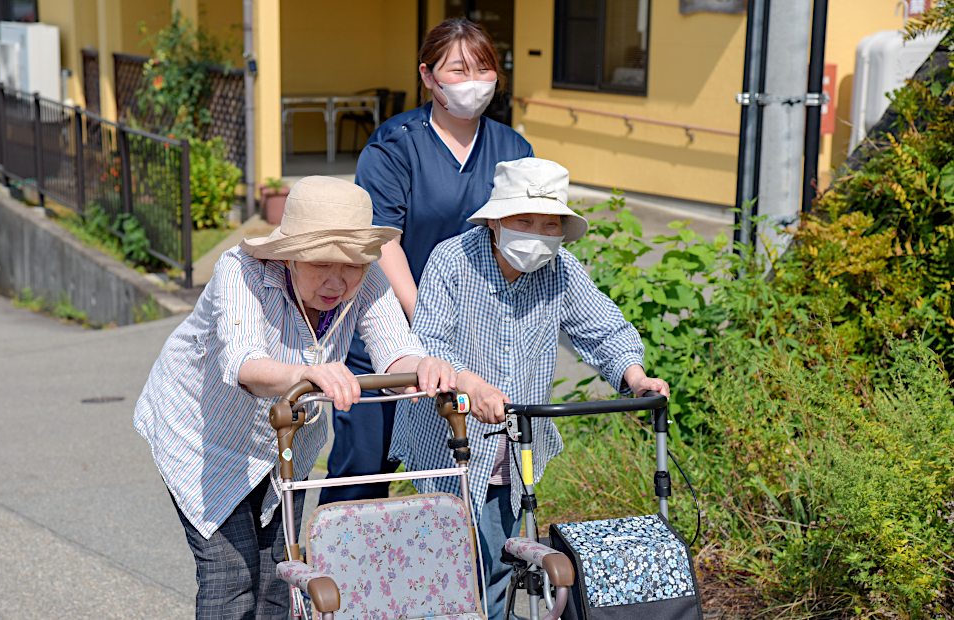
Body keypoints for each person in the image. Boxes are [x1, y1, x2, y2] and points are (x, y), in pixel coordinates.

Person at [133, 176, 457, 620]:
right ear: (291, 254)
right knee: (230, 577)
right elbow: (244, 363)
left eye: (352, 265)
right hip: (202, 432)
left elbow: (395, 351)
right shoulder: (241, 270)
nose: (338, 280)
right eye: (322, 262)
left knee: (278, 575)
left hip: (286, 440)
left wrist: (421, 366)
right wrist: (305, 372)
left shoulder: (369, 277)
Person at [390, 158, 671, 619]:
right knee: (449, 565)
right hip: (449, 443)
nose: (538, 232)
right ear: (496, 220)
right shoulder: (453, 260)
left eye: (549, 224)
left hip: (516, 442)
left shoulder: (560, 268)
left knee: (502, 560)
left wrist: (634, 376)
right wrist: (469, 382)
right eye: (525, 220)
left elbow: (603, 329)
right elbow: (430, 342)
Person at [322, 17, 535, 505]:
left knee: (456, 477)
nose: (474, 81)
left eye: (484, 69)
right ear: (428, 75)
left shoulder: (512, 149)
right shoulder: (396, 144)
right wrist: (425, 321)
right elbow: (383, 241)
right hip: (388, 335)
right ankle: (334, 576)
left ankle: (443, 579)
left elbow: (523, 238)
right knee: (362, 471)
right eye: (458, 70)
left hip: (472, 343)